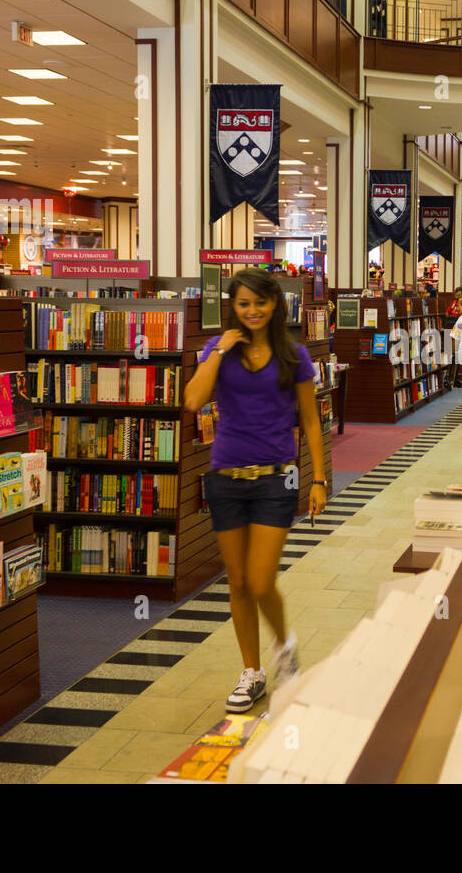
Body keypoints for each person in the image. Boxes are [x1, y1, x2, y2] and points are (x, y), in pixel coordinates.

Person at [183, 267, 327, 714]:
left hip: (275, 478)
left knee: (262, 579)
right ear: (233, 306)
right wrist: (219, 350)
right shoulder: (219, 350)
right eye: (243, 304)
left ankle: (285, 650)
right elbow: (192, 400)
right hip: (226, 476)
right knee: (240, 582)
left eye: (260, 303)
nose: (252, 311)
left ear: (275, 304)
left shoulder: (295, 355)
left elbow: (310, 419)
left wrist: (318, 479)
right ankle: (251, 672)